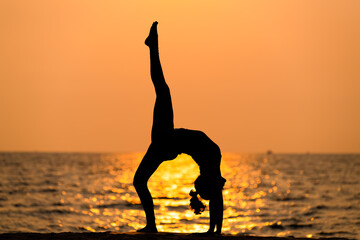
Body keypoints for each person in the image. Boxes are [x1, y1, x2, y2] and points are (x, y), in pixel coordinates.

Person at [133, 21, 226, 234]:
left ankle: (152, 46)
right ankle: (151, 226)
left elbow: (217, 198)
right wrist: (214, 231)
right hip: (166, 143)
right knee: (139, 181)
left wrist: (215, 232)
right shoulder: (212, 158)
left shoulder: (211, 158)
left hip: (166, 140)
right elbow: (216, 196)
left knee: (163, 89)